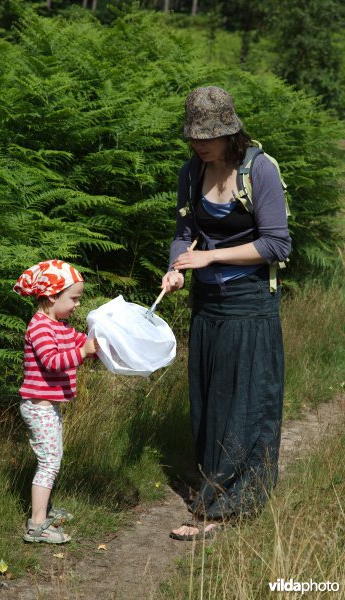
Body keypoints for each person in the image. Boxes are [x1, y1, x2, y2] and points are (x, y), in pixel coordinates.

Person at [162, 86, 291, 541]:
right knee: (210, 400)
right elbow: (185, 232)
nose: (199, 144)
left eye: (208, 136)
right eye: (194, 136)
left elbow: (278, 245)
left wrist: (211, 259)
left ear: (230, 132)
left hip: (250, 304)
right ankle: (220, 489)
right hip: (207, 305)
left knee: (244, 403)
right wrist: (177, 266)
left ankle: (219, 509)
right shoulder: (191, 172)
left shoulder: (260, 170)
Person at [13, 259, 99, 544]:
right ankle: (36, 525)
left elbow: (81, 341)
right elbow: (52, 361)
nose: (76, 304)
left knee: (52, 459)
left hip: (48, 406)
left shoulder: (60, 326)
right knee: (50, 461)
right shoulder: (40, 327)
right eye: (73, 298)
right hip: (38, 406)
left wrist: (95, 347)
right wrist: (84, 352)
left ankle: (44, 509)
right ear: (51, 296)